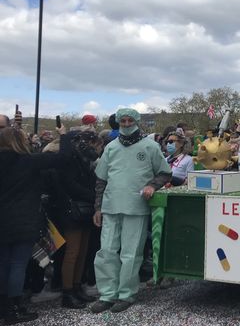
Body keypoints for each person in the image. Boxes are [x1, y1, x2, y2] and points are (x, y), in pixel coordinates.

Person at [90, 108, 172, 314]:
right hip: (111, 206)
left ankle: (126, 294)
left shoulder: (150, 146)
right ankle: (107, 294)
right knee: (106, 251)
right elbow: (101, 180)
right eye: (123, 121)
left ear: (136, 121)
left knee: (131, 253)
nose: (126, 124)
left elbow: (164, 173)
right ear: (118, 122)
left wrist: (152, 185)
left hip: (136, 207)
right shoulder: (110, 147)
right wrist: (98, 207)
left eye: (129, 120)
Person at [0, 124, 68, 325]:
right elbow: (62, 159)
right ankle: (13, 307)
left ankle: (3, 306)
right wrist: (63, 136)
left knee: (3, 264)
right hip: (23, 219)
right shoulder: (28, 161)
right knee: (18, 264)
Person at [45, 131, 101, 309]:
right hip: (72, 210)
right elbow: (71, 185)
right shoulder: (68, 161)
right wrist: (93, 196)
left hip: (82, 208)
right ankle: (68, 292)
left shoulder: (81, 160)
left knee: (82, 251)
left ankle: (76, 287)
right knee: (73, 251)